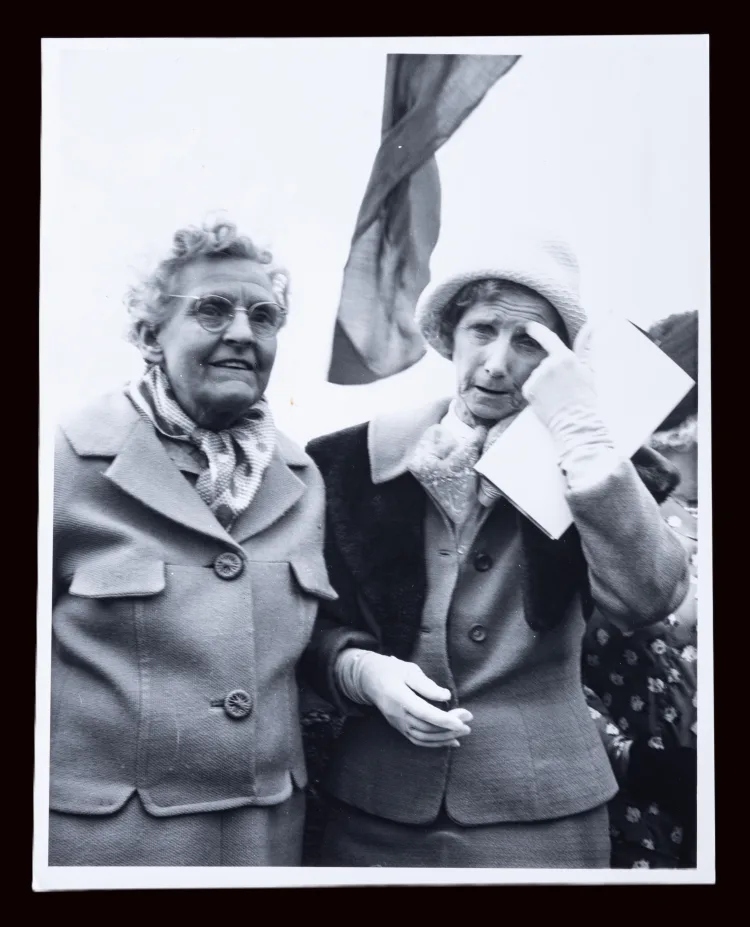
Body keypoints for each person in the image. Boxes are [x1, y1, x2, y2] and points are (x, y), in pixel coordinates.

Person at [301, 236, 690, 868]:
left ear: (562, 360)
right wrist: (361, 672)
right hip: (376, 813)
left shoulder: (603, 461)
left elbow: (648, 598)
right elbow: (309, 628)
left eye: (530, 341)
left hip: (544, 818)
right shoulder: (346, 462)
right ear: (450, 335)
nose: (497, 363)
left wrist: (583, 439)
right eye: (483, 330)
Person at [49, 219, 337, 866]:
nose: (242, 332)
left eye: (263, 317)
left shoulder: (300, 480)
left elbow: (304, 644)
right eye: (212, 309)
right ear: (150, 335)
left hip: (261, 847)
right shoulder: (67, 460)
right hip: (108, 851)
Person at [582, 310, 698, 868]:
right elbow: (533, 671)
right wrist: (631, 760)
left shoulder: (690, 515)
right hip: (623, 813)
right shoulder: (566, 511)